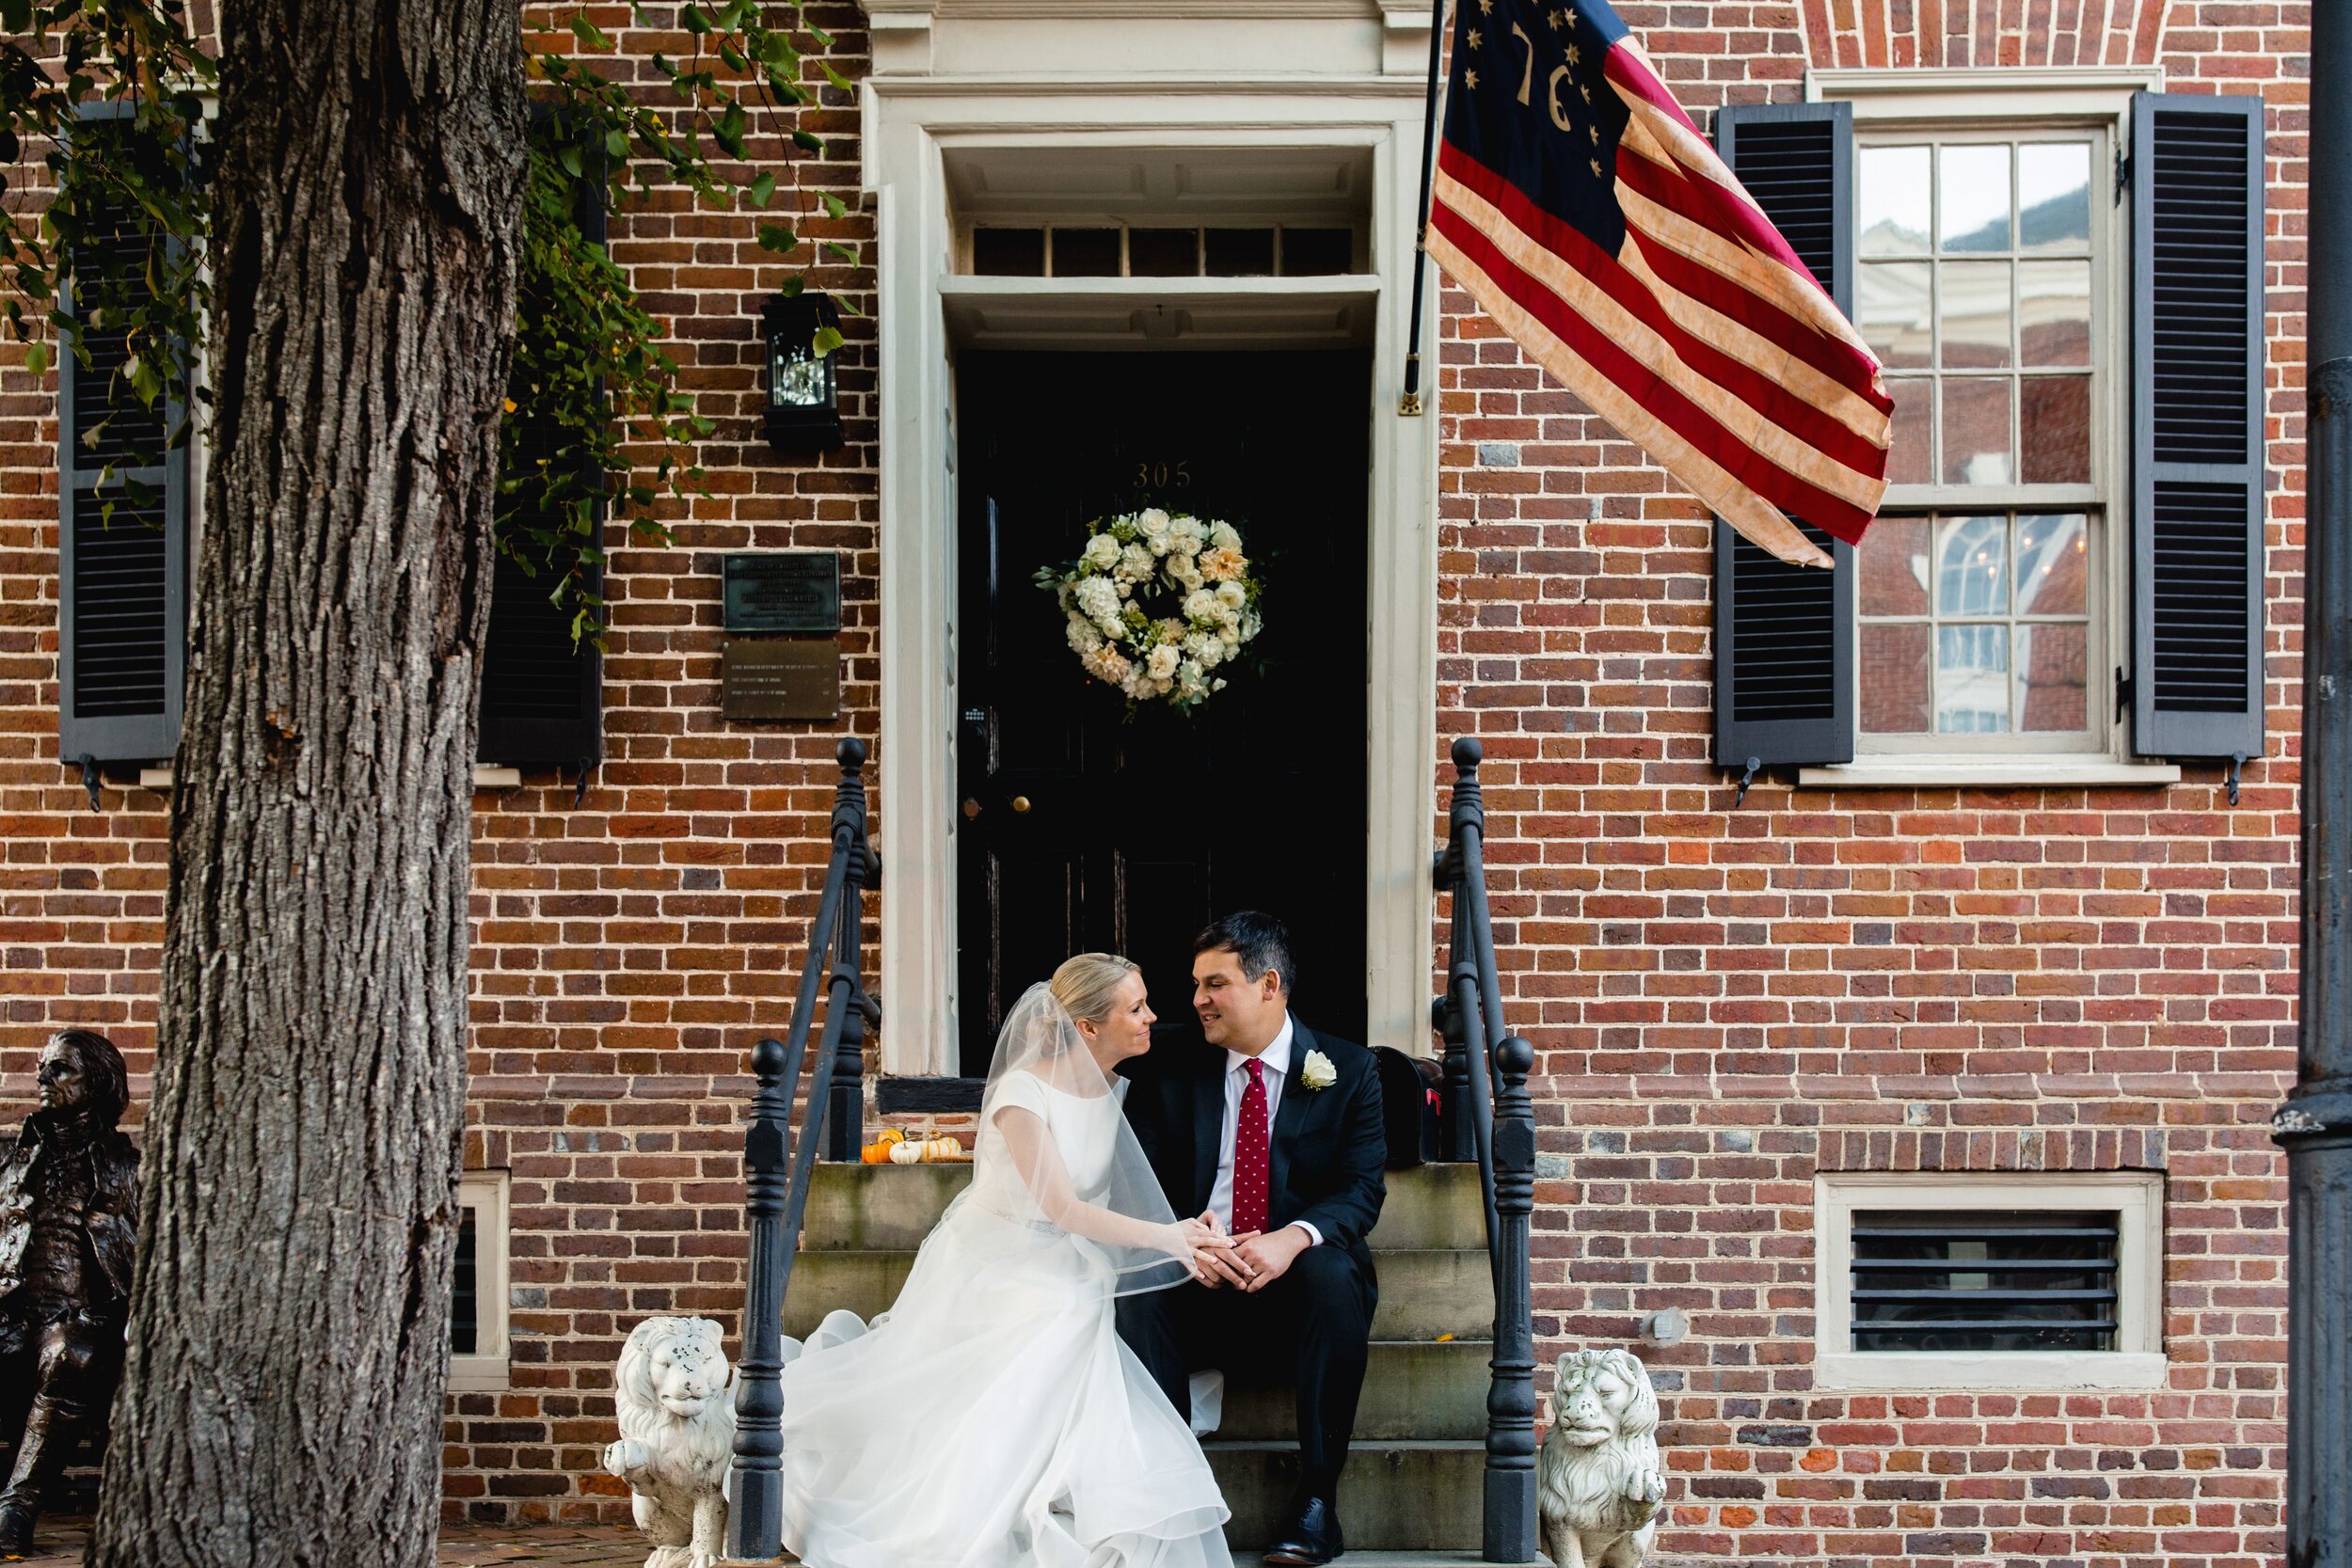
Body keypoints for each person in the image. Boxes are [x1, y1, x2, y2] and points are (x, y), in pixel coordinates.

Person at [776, 954, 1237, 1568]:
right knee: (1066, 1305)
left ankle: (1070, 1481)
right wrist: (1170, 1238)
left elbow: (1116, 1197)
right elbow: (1065, 1208)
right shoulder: (1022, 1094)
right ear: (1087, 1027)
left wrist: (1189, 1228)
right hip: (1001, 1259)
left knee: (1084, 1294)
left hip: (1070, 1259)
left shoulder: (1116, 1085)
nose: (1153, 1016)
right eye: (1136, 1006)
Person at [1116, 912, 1387, 1568]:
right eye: (1196, 983)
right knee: (1140, 1285)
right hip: (1199, 1277)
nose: (1197, 999)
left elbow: (1360, 1189)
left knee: (1334, 1272)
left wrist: (1291, 1239)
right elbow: (1136, 1171)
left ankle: (1318, 1502)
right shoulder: (1171, 1062)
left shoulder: (1347, 1069)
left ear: (1269, 985)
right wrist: (1186, 1238)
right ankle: (1171, 1495)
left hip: (1294, 1291)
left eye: (1214, 983)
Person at [0, 1029, 139, 1555]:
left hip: (83, 1319)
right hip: (13, 1312)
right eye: (42, 1067)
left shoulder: (128, 1168)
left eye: (60, 1069)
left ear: (98, 1083)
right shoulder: (13, 1163)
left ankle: (16, 1507)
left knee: (73, 1352)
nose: (43, 1078)